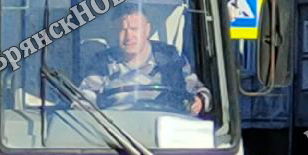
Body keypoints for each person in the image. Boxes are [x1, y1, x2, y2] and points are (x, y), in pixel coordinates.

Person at [79, 9, 210, 114]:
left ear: (147, 30)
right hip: (117, 134)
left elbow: (199, 92)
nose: (129, 36)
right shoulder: (102, 63)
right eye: (122, 30)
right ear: (114, 32)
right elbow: (85, 99)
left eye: (135, 29)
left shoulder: (170, 58)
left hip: (164, 135)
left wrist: (199, 101)